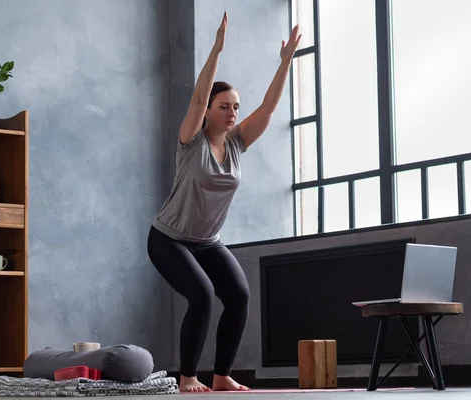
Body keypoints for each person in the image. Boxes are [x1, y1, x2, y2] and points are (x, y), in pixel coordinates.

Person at [147, 12, 301, 393]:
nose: (232, 113)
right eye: (224, 106)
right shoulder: (191, 141)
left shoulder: (237, 143)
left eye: (235, 107)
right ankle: (186, 378)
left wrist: (285, 64)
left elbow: (266, 108)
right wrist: (216, 49)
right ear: (209, 111)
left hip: (207, 240)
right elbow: (198, 95)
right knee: (200, 296)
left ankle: (221, 376)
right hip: (168, 238)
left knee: (238, 295)